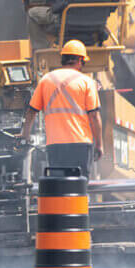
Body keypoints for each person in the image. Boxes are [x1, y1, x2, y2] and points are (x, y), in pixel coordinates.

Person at [19, 40, 103, 179]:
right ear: (80, 60)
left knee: (59, 188)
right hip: (80, 145)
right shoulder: (86, 82)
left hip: (55, 145)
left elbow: (31, 111)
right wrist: (99, 145)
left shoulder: (46, 80)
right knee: (79, 188)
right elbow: (94, 117)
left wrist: (25, 135)